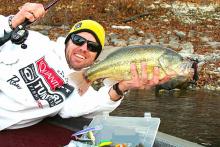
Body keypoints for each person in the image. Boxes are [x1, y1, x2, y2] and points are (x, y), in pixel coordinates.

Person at [0, 3, 170, 131]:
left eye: (93, 47)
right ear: (67, 40)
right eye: (79, 41)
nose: (83, 48)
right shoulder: (35, 42)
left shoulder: (79, 86)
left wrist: (121, 87)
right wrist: (13, 21)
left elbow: (93, 107)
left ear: (96, 56)